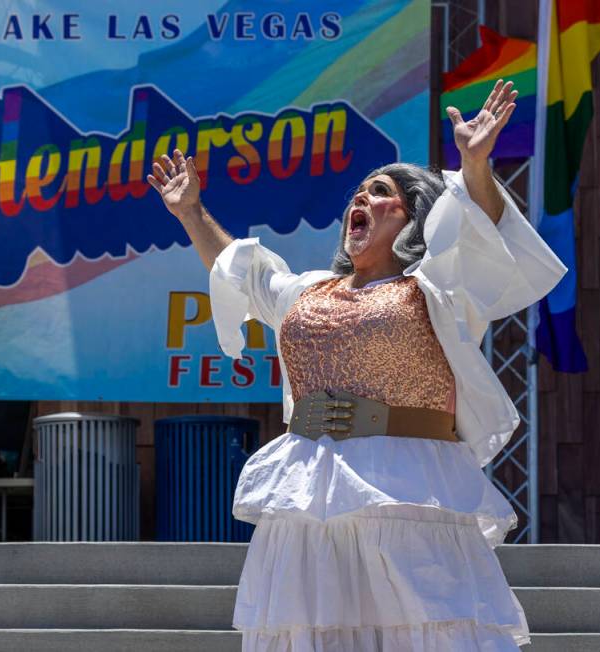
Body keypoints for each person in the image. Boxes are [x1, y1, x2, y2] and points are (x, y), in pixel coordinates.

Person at [148, 80, 563, 650]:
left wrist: (474, 165)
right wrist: (192, 212)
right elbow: (241, 274)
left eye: (381, 191)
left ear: (414, 217)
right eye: (359, 192)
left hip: (407, 485)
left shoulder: (437, 285)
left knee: (427, 628)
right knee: (313, 633)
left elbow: (483, 235)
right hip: (309, 488)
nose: (360, 199)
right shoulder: (310, 291)